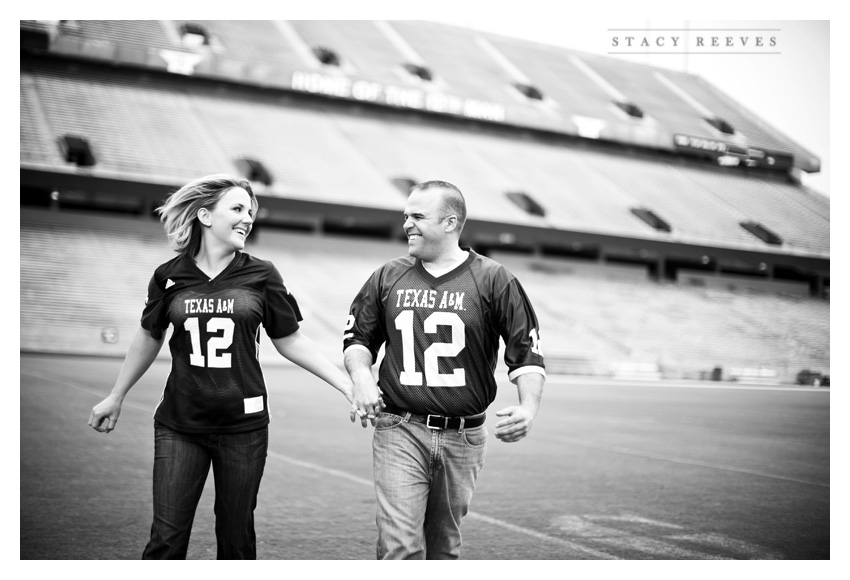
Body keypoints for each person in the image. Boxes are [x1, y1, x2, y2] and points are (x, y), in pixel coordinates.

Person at [88, 174, 354, 559]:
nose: (248, 218)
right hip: (180, 425)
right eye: (238, 208)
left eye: (251, 211)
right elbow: (149, 335)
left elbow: (290, 339)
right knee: (165, 540)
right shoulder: (168, 276)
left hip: (243, 429)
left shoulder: (262, 274)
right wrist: (116, 396)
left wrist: (346, 384)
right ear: (205, 216)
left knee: (236, 541)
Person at [343, 180, 545, 559]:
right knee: (399, 546)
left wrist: (528, 407)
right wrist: (361, 378)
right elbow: (357, 341)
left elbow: (527, 352)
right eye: (406, 216)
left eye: (418, 216)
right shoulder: (388, 275)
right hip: (399, 427)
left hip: (464, 436)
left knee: (444, 548)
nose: (407, 224)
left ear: (451, 222)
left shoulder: (493, 278)